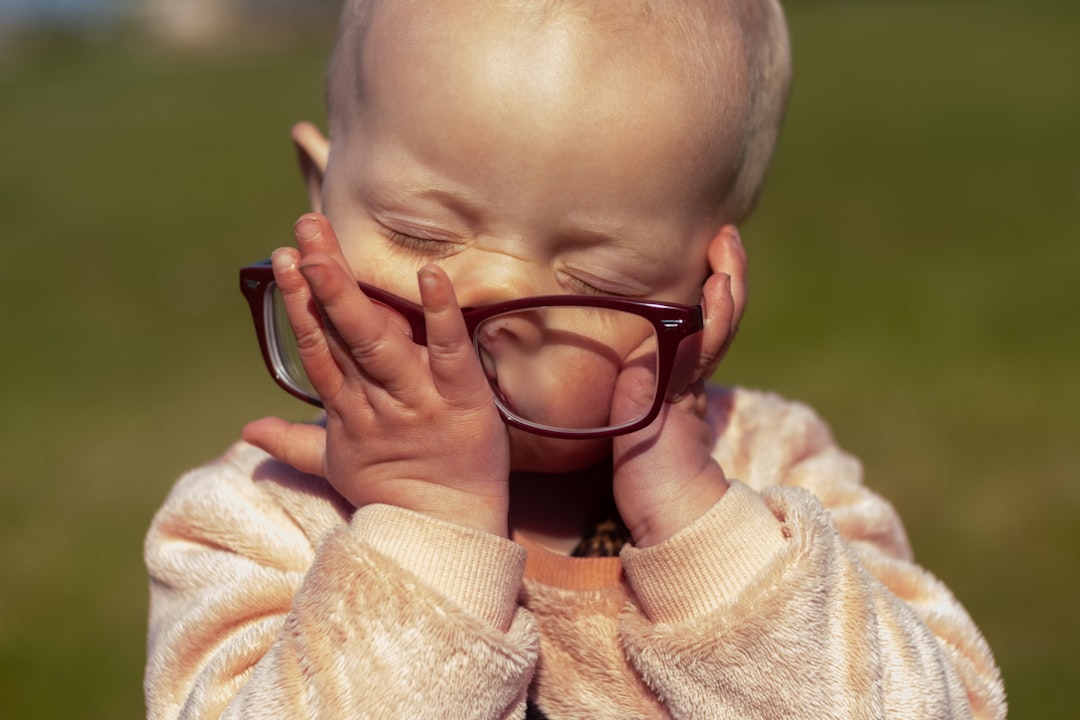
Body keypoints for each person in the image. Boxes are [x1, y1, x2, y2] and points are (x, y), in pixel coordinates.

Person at [144, 0, 1007, 718]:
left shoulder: (774, 479)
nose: (482, 301)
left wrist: (702, 535)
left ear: (704, 287)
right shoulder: (260, 520)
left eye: (596, 278)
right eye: (421, 234)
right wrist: (428, 534)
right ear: (318, 193)